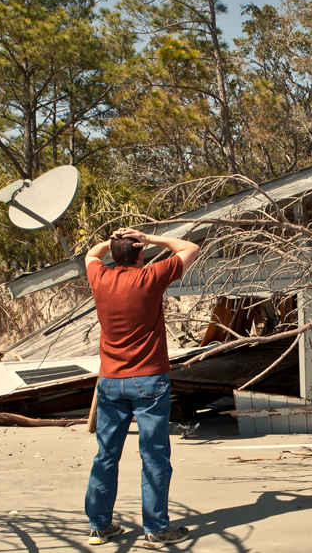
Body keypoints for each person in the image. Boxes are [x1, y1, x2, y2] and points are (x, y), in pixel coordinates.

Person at [83, 227, 200, 546]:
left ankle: (99, 525)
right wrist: (152, 239)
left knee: (106, 454)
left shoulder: (100, 278)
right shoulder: (149, 277)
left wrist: (113, 243)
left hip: (110, 382)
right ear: (139, 254)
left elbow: (91, 256)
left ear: (114, 254)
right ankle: (156, 528)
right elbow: (189, 248)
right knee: (154, 455)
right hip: (149, 379)